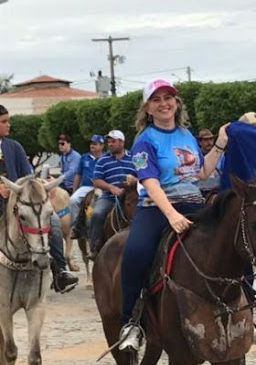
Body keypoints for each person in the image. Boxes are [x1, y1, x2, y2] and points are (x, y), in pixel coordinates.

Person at [118, 78, 228, 352]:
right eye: (157, 99)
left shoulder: (187, 136)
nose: (164, 103)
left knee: (235, 234)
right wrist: (171, 215)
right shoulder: (144, 141)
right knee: (136, 251)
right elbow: (150, 181)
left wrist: (221, 143)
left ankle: (247, 303)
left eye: (169, 98)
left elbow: (201, 173)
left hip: (193, 202)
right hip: (156, 208)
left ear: (176, 103)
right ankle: (131, 322)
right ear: (148, 108)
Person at [0, 105, 78, 292]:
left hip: (20, 207)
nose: (8, 125)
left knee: (54, 222)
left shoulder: (14, 147)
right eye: (4, 122)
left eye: (8, 120)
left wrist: (37, 186)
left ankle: (60, 271)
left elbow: (28, 175)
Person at [89, 130, 136, 255]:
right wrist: (111, 188)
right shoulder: (102, 160)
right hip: (110, 197)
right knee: (97, 214)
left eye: (113, 141)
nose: (110, 144)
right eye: (109, 141)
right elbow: (96, 180)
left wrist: (134, 180)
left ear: (122, 142)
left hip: (131, 196)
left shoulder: (134, 158)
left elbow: (144, 176)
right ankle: (94, 246)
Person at [69, 134, 104, 233]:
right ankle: (76, 226)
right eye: (91, 144)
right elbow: (78, 175)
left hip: (101, 187)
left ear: (101, 146)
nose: (92, 146)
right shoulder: (84, 157)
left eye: (95, 144)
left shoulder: (106, 157)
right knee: (72, 200)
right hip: (86, 187)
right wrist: (74, 190)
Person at [195, 128, 222, 197]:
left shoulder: (221, 155)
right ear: (200, 142)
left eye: (211, 139)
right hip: (201, 191)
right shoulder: (195, 157)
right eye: (206, 140)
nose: (209, 142)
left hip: (218, 189)